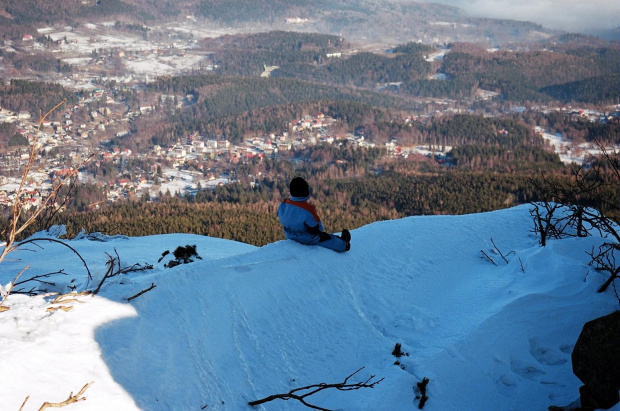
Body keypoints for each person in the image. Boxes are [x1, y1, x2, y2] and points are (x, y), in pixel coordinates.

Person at [277, 177, 351, 252]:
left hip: (289, 235)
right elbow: (319, 228)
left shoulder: (282, 205)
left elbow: (281, 218)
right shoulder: (307, 209)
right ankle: (344, 244)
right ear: (305, 192)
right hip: (307, 238)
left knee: (325, 236)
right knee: (328, 239)